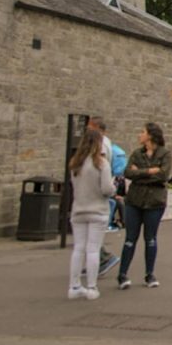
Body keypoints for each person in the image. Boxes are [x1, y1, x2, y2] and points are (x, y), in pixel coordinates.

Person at [116, 122, 171, 290]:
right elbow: (128, 173)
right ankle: (122, 274)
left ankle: (149, 274)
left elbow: (163, 175)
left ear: (151, 136)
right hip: (135, 200)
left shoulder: (165, 154)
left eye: (142, 132)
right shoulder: (136, 153)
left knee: (150, 238)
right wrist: (149, 171)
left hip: (155, 201)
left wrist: (140, 172)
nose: (139, 135)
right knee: (130, 239)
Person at [67, 128, 116, 300]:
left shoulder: (75, 163)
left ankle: (74, 286)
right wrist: (113, 186)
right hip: (97, 210)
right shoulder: (101, 164)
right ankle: (92, 287)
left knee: (78, 248)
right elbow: (106, 189)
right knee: (93, 249)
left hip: (79, 210)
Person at [86, 117, 120, 277]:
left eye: (89, 127)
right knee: (88, 233)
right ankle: (94, 261)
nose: (87, 130)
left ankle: (104, 258)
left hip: (97, 193)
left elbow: (102, 166)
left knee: (91, 232)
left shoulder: (102, 145)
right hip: (95, 192)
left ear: (97, 128)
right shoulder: (102, 143)